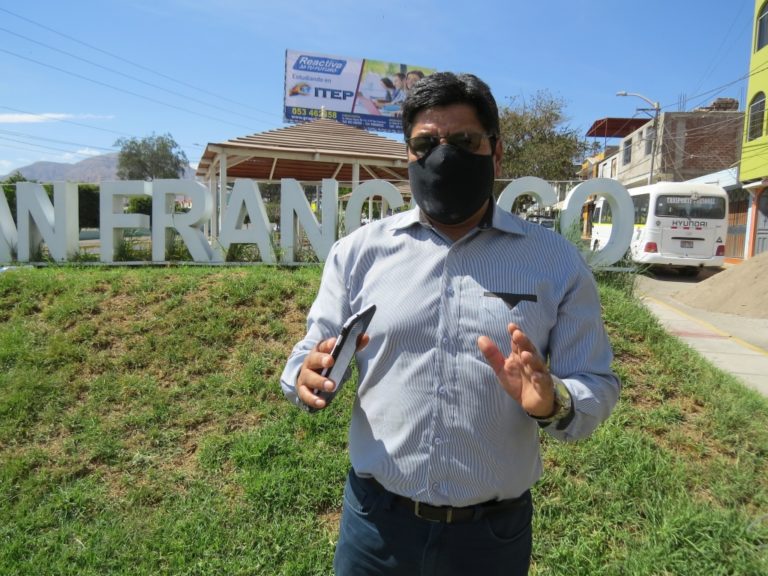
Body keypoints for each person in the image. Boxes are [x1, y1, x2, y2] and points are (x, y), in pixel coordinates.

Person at [280, 72, 620, 575]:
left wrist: (554, 403)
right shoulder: (358, 254)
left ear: (496, 153)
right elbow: (309, 352)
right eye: (426, 143)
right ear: (409, 156)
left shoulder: (555, 262)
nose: (444, 155)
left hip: (489, 539)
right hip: (375, 527)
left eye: (464, 141)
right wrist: (304, 376)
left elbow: (597, 382)